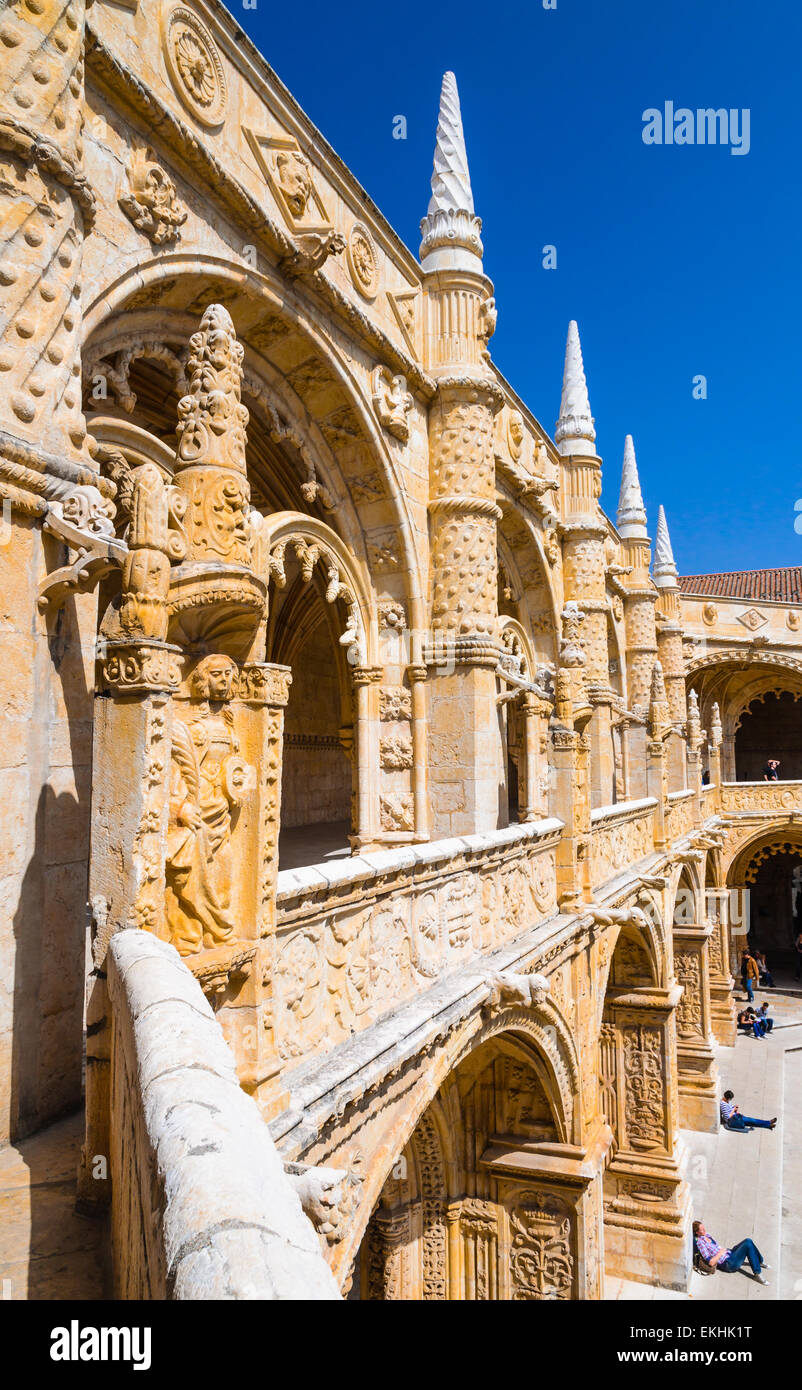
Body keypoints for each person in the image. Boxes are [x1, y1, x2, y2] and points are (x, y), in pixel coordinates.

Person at [692, 1221, 769, 1283]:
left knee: (748, 1241)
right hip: (728, 1263)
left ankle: (759, 1262)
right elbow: (711, 1262)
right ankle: (757, 1273)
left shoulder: (707, 1235)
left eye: (703, 1227)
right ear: (697, 1233)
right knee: (748, 1244)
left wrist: (724, 1251)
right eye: (701, 1229)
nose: (704, 1229)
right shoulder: (700, 1243)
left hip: (729, 1253)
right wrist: (721, 1252)